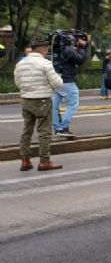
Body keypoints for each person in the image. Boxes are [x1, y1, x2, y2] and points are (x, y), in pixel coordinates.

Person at [14, 40, 65, 171]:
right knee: (44, 132)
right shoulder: (45, 63)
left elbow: (17, 82)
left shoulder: (20, 63)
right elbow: (58, 83)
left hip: (26, 99)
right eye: (46, 48)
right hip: (42, 100)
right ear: (42, 49)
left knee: (27, 130)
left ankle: (25, 160)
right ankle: (44, 161)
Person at [52, 32, 88, 139]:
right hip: (67, 80)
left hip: (56, 79)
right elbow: (80, 59)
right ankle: (64, 127)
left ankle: (57, 128)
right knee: (73, 104)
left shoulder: (56, 49)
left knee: (54, 105)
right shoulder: (67, 49)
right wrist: (82, 46)